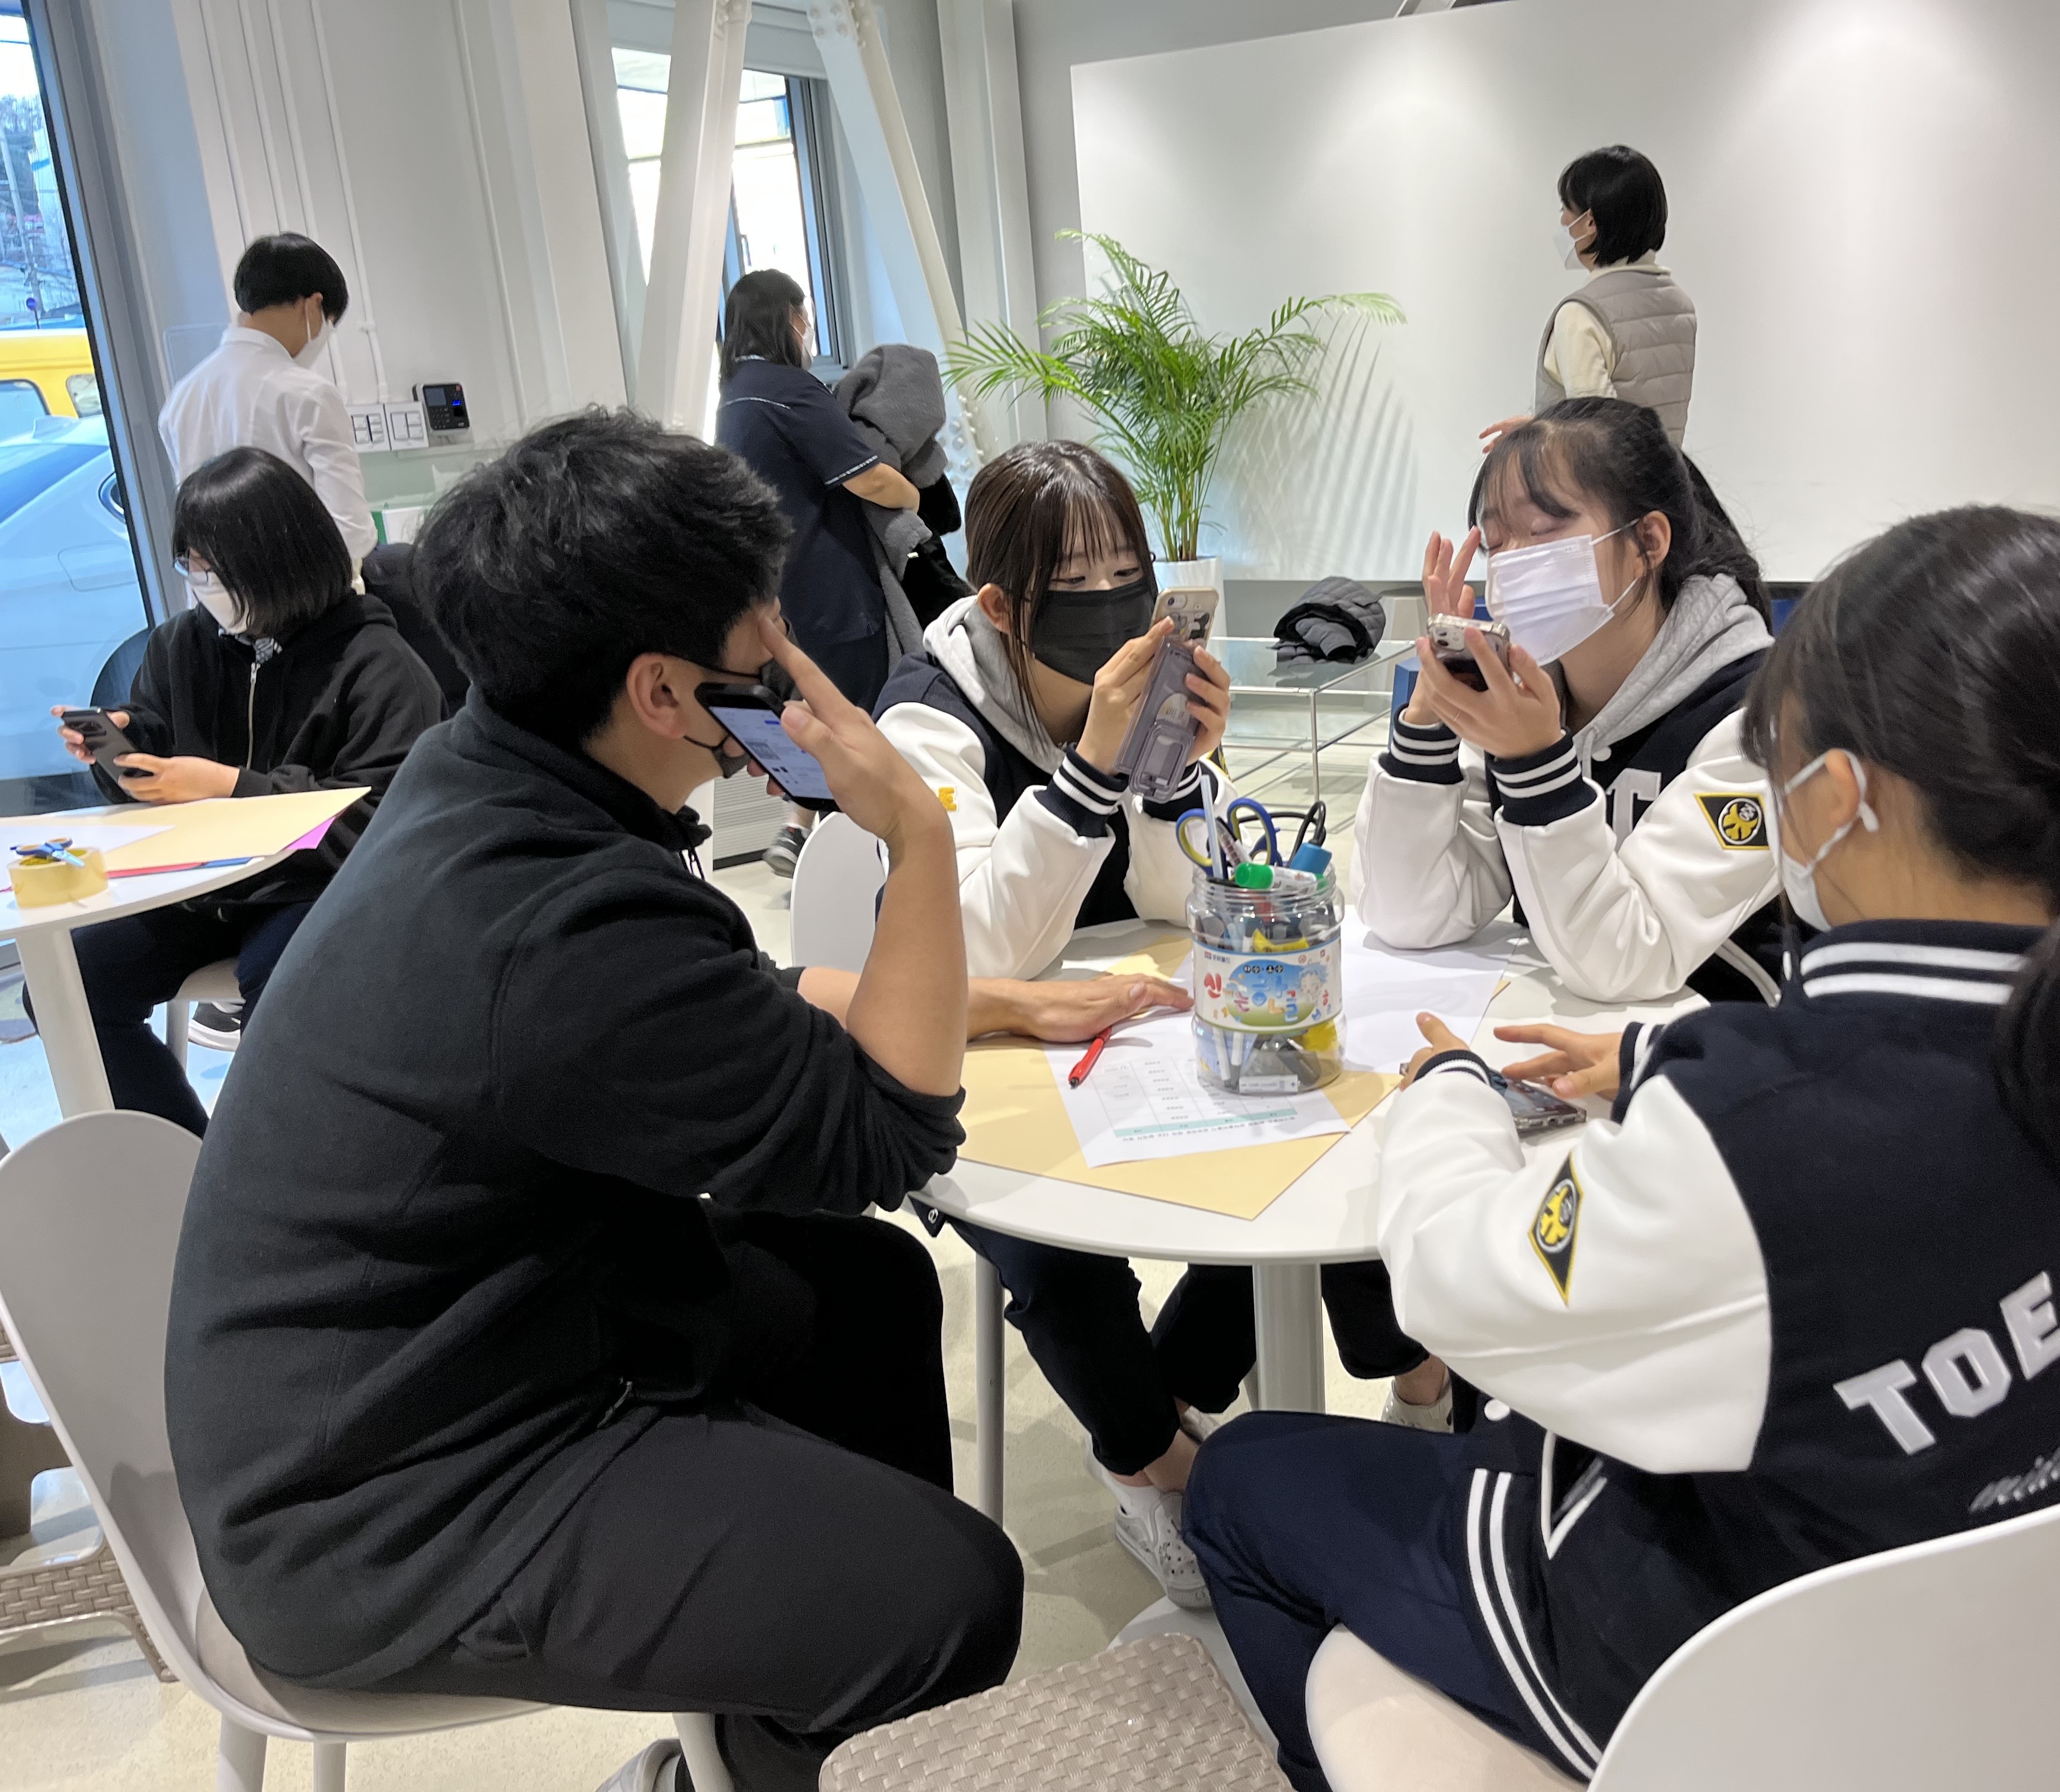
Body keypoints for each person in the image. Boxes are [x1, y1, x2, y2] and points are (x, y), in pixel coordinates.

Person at [1183, 504, 2060, 1789]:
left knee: (1243, 1479)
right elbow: (1914, 1139)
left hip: (1728, 1686)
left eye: (1777, 773)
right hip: (2001, 1660)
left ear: (1842, 799)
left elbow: (1461, 1285)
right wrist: (1657, 1059)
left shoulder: (1765, 1135)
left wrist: (1451, 1092)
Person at [162, 411, 1163, 1792]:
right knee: (950, 1595)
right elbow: (891, 1133)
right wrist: (915, 832)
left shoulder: (491, 774)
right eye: (762, 637)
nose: (789, 657)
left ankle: (772, 1743)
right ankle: (814, 1710)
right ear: (662, 692)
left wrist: (996, 1002)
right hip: (384, 1499)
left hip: (446, 1344)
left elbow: (733, 1000)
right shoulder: (560, 915)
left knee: (864, 1291)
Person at [873, 439, 1451, 1609]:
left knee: (1304, 1153)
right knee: (1056, 1247)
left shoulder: (1157, 686)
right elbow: (974, 951)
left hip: (1141, 1019)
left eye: (1124, 573)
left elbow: (1193, 901)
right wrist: (1092, 772)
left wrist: (1177, 777)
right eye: (1072, 582)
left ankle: (1194, 1394)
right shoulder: (928, 717)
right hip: (982, 1044)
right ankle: (1151, 1460)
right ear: (1000, 604)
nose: (1109, 600)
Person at [44, 447, 440, 1124]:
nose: (202, 585)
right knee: (69, 988)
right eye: (191, 566)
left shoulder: (378, 665)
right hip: (201, 891)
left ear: (279, 561)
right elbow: (158, 742)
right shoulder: (182, 646)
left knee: (278, 993)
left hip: (316, 888)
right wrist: (122, 749)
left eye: (215, 570)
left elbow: (381, 822)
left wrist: (232, 788)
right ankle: (185, 1157)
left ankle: (273, 1162)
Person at [1358, 397, 1782, 1007]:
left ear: (1648, 541)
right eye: (1495, 542)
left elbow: (1626, 958)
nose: (1510, 564)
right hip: (1550, 1040)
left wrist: (1536, 765)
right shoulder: (1522, 701)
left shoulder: (1756, 719)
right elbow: (1409, 913)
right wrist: (1431, 716)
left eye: (1542, 531)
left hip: (1713, 1045)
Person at [717, 268, 922, 875]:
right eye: (802, 315)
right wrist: (917, 499)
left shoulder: (735, 395)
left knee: (811, 707)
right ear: (787, 318)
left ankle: (798, 830)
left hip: (777, 591)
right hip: (831, 585)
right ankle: (859, 859)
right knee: (859, 718)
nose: (806, 327)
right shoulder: (790, 389)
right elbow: (870, 478)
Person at [159, 232, 378, 564]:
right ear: (313, 306)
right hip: (306, 586)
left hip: (220, 588)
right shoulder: (308, 395)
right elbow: (351, 532)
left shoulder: (181, 399)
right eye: (329, 324)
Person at [1482, 146, 1695, 452]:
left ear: (1590, 222)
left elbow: (1596, 444)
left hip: (1593, 484)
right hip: (1667, 480)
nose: (1562, 222)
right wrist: (1540, 427)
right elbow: (1631, 422)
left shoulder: (1581, 315)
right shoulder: (1681, 307)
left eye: (1565, 209)